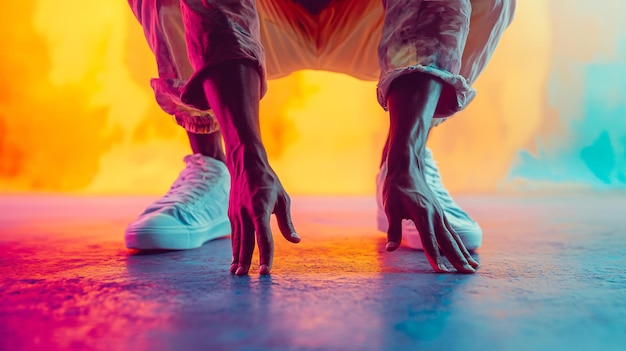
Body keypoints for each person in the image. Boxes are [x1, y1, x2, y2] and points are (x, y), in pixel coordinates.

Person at [125, 0, 516, 274]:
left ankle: (405, 171)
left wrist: (406, 157)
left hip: (376, 20)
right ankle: (217, 169)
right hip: (260, 22)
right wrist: (245, 154)